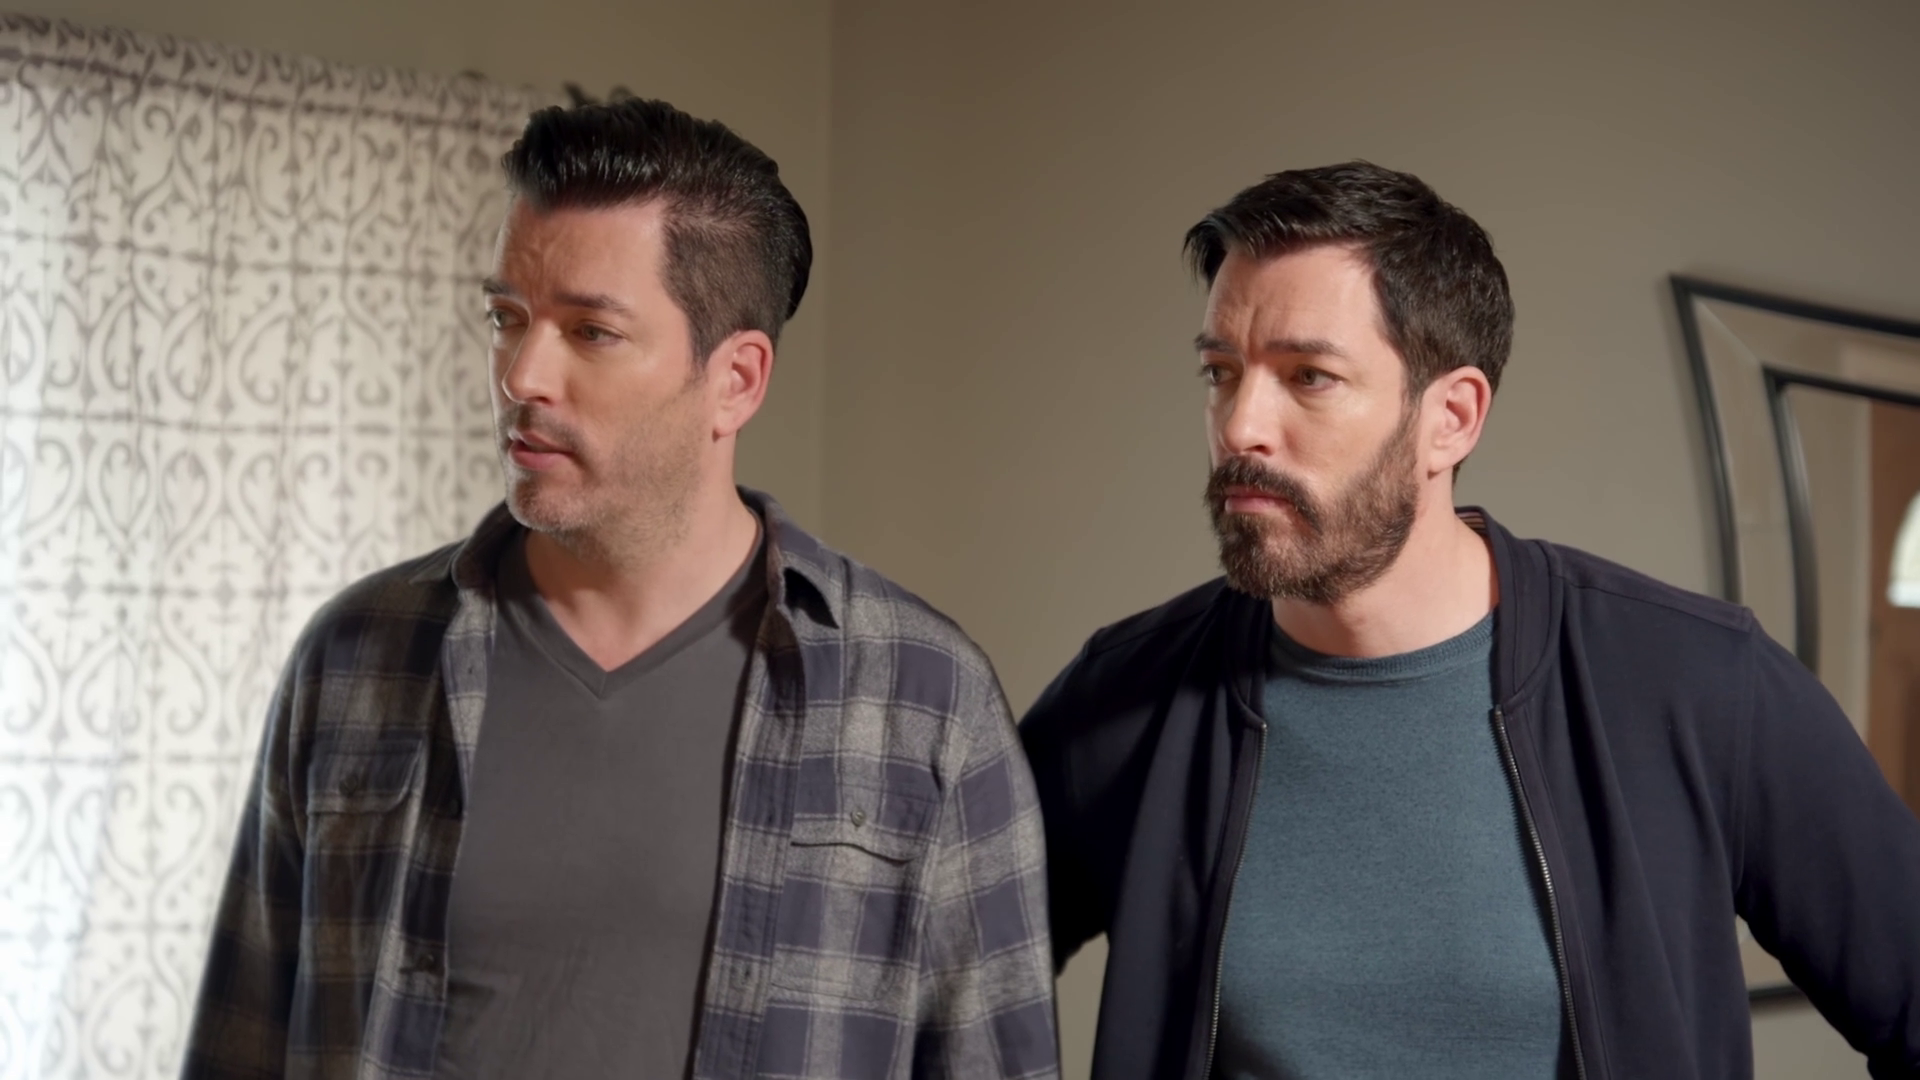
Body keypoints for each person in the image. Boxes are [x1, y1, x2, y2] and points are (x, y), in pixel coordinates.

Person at [183, 97, 1057, 1080]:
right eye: (507, 319)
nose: (522, 375)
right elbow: (239, 1045)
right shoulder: (354, 656)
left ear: (736, 381)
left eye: (591, 332)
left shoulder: (926, 703)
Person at [1019, 161, 1920, 1080]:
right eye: (1221, 372)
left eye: (1309, 376)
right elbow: (943, 977)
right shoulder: (1125, 701)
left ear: (1451, 417)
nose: (1240, 425)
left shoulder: (1700, 682)